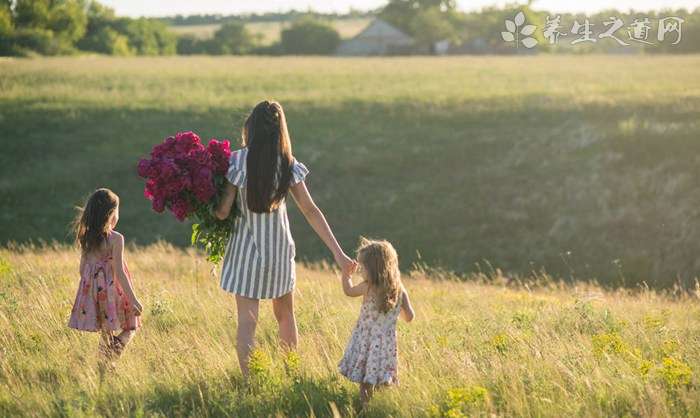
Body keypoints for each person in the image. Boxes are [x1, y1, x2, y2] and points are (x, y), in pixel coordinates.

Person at [215, 100, 355, 376]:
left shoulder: (236, 161)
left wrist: (209, 203)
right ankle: (291, 373)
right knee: (285, 316)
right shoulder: (288, 165)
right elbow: (311, 211)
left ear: (250, 128)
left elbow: (221, 213)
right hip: (278, 251)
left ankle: (251, 382)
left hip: (245, 253)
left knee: (247, 322)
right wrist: (339, 254)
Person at [68, 188, 143, 362]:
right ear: (110, 215)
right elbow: (120, 272)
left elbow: (82, 270)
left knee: (105, 333)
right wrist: (133, 299)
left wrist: (91, 291)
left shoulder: (86, 237)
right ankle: (114, 352)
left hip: (95, 293)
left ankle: (104, 365)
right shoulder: (116, 239)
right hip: (113, 292)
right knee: (132, 326)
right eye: (117, 212)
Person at [338, 238, 415, 406]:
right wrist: (397, 312)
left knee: (365, 381)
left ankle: (365, 406)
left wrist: (346, 275)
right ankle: (380, 406)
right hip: (386, 344)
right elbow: (410, 317)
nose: (360, 270)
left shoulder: (368, 286)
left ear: (373, 268)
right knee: (382, 377)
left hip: (366, 341)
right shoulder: (399, 290)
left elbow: (349, 291)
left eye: (362, 267)